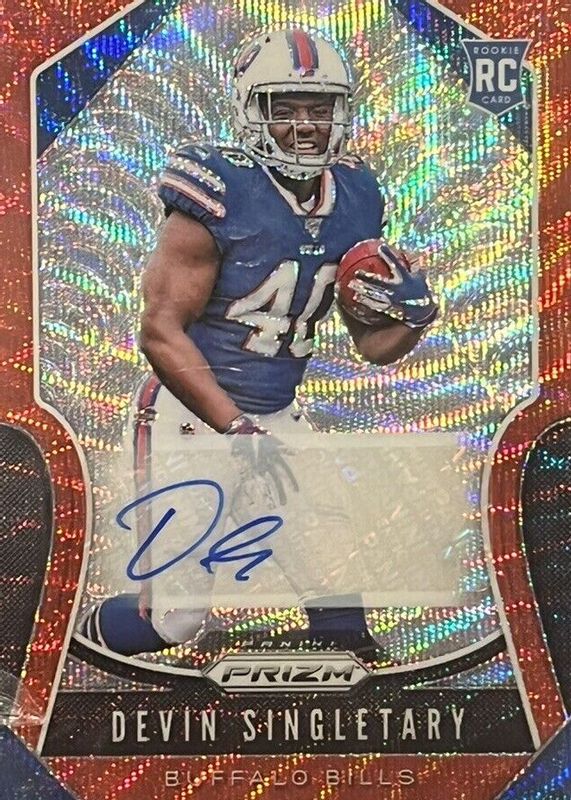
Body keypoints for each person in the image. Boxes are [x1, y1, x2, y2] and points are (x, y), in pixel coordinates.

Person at [78, 28, 437, 662]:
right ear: (251, 110)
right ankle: (58, 649)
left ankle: (355, 687)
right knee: (174, 620)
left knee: (336, 582)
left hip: (274, 414)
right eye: (285, 108)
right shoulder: (218, 188)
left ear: (341, 112)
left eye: (319, 108)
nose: (305, 126)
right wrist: (235, 426)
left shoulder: (357, 195)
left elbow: (372, 345)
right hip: (192, 416)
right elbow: (159, 332)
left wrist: (416, 314)